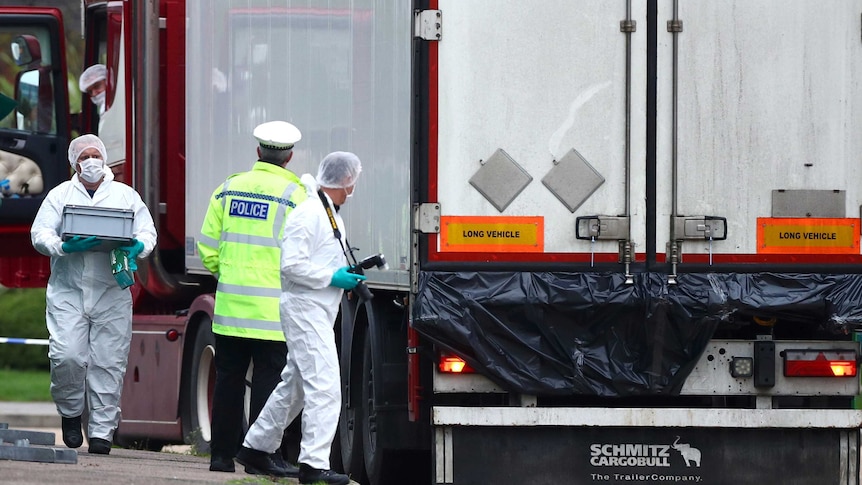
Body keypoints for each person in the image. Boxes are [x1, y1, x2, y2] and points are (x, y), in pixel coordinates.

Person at [235, 152, 365, 485]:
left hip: (316, 309)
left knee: (295, 386)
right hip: (305, 310)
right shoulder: (309, 214)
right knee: (325, 387)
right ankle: (314, 465)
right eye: (353, 179)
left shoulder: (327, 212)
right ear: (346, 181)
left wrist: (341, 274)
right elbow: (290, 265)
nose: (354, 186)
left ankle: (256, 447)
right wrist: (332, 277)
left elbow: (318, 258)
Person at [30, 134, 157, 454]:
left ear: (104, 159)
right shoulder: (60, 195)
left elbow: (147, 232)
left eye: (95, 155)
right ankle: (71, 413)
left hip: (111, 291)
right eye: (84, 157)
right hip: (68, 292)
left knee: (108, 363)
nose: (91, 162)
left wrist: (137, 247)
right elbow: (39, 233)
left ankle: (101, 431)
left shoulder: (125, 196)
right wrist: (62, 246)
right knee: (66, 356)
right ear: (74, 163)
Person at [197, 121, 308, 474]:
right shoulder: (296, 197)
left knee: (228, 382)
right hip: (273, 314)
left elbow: (207, 247)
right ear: (290, 157)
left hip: (230, 309)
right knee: (268, 384)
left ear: (258, 152)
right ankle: (260, 458)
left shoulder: (228, 189)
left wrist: (228, 274)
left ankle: (221, 456)